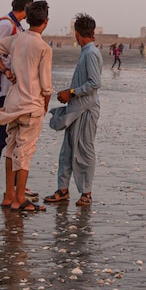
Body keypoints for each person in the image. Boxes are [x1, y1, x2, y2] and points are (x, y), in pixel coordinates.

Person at [0, 0, 53, 212]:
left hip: (12, 104)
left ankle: (9, 195)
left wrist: (6, 71)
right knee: (25, 151)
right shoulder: (43, 47)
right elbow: (46, 85)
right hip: (31, 104)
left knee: (11, 147)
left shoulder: (16, 39)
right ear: (46, 22)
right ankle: (20, 198)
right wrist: (45, 105)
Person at [44, 14, 102, 207]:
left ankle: (86, 193)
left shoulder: (91, 53)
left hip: (86, 110)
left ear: (77, 33)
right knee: (67, 151)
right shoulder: (86, 51)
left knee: (84, 151)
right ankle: (62, 190)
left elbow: (94, 83)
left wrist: (71, 93)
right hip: (75, 109)